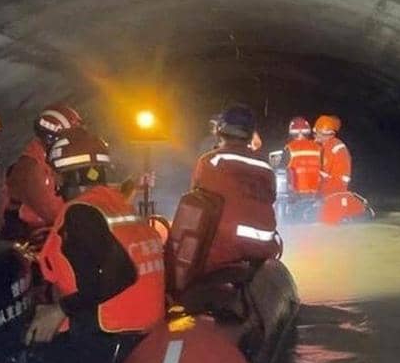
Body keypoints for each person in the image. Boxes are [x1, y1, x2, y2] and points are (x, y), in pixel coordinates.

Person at [27, 127, 166, 344]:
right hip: (143, 328)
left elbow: (121, 272)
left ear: (58, 177)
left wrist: (60, 309)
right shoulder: (116, 204)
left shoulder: (80, 212)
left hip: (107, 334)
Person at [188, 104, 279, 274]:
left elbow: (194, 202)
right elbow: (270, 199)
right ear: (250, 134)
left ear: (221, 130)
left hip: (223, 251)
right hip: (264, 250)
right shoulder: (266, 167)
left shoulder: (211, 161)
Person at [0, 104, 82, 242]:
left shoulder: (50, 159)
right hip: (25, 237)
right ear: (53, 138)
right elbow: (53, 213)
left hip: (43, 232)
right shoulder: (31, 168)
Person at [284, 116, 322, 196]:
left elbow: (282, 169)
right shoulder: (318, 147)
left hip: (296, 196)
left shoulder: (290, 148)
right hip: (316, 195)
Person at [314, 115, 351, 195]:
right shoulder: (318, 146)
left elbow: (338, 179)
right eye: (316, 133)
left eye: (319, 134)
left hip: (333, 192)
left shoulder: (336, 147)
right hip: (320, 191)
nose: (316, 136)